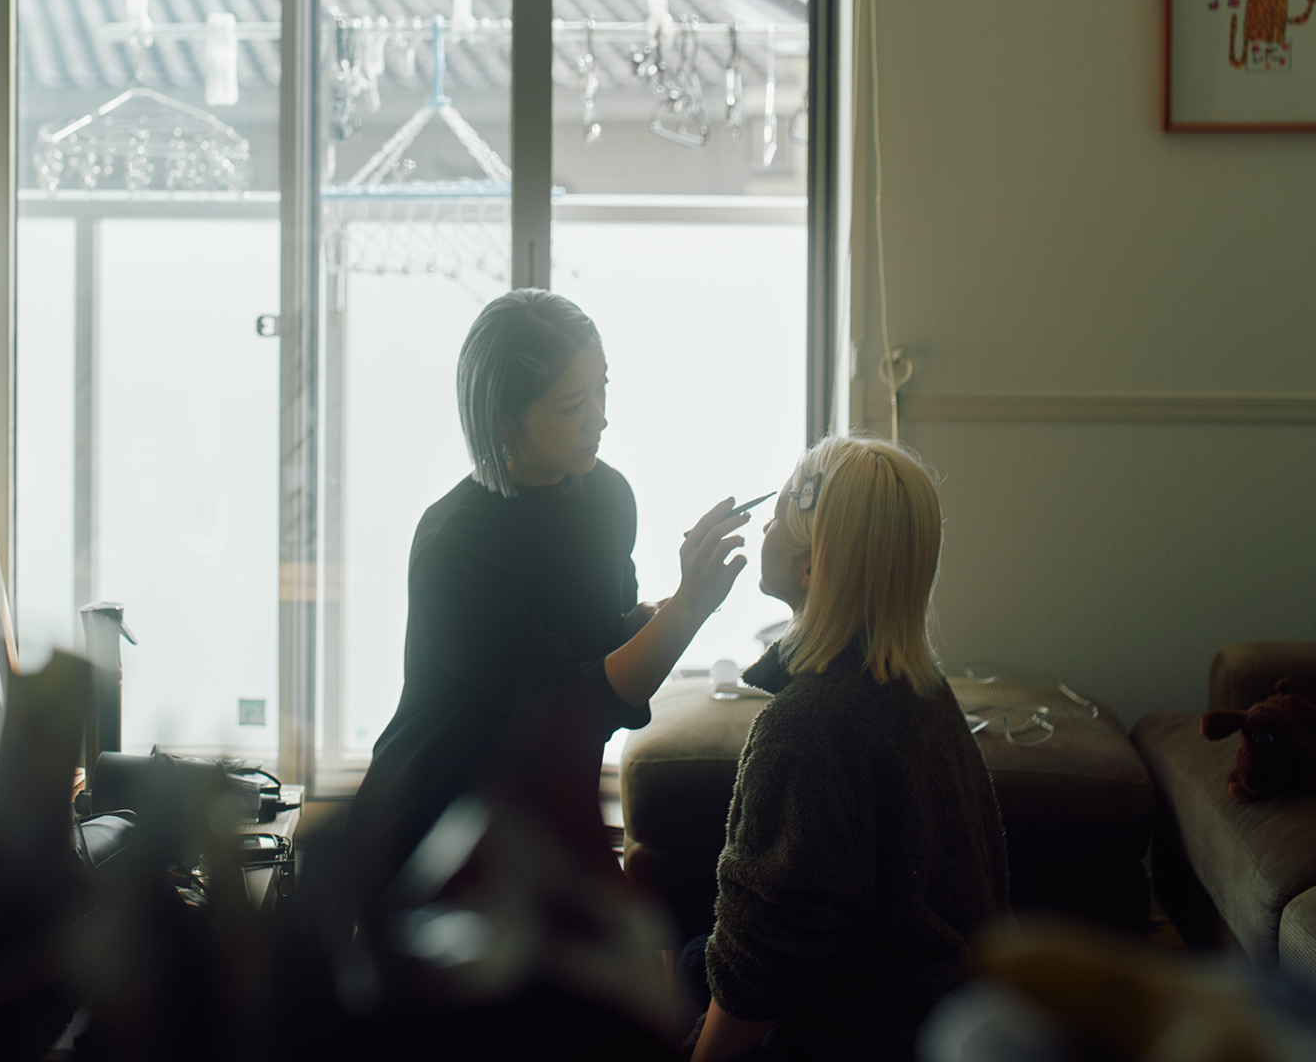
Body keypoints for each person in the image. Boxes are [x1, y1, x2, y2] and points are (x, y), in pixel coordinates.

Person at [346, 289, 749, 906]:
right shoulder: (454, 546)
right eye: (571, 406)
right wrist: (688, 608)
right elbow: (574, 704)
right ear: (505, 421)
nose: (599, 419)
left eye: (602, 389)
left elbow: (598, 639)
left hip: (546, 818)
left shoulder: (607, 495)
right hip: (438, 832)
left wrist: (679, 599)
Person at [684, 435, 1009, 1062]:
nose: (765, 528)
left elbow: (763, 971)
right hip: (947, 1002)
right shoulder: (921, 686)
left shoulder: (805, 729)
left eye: (777, 515)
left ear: (811, 569)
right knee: (697, 960)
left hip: (868, 1033)